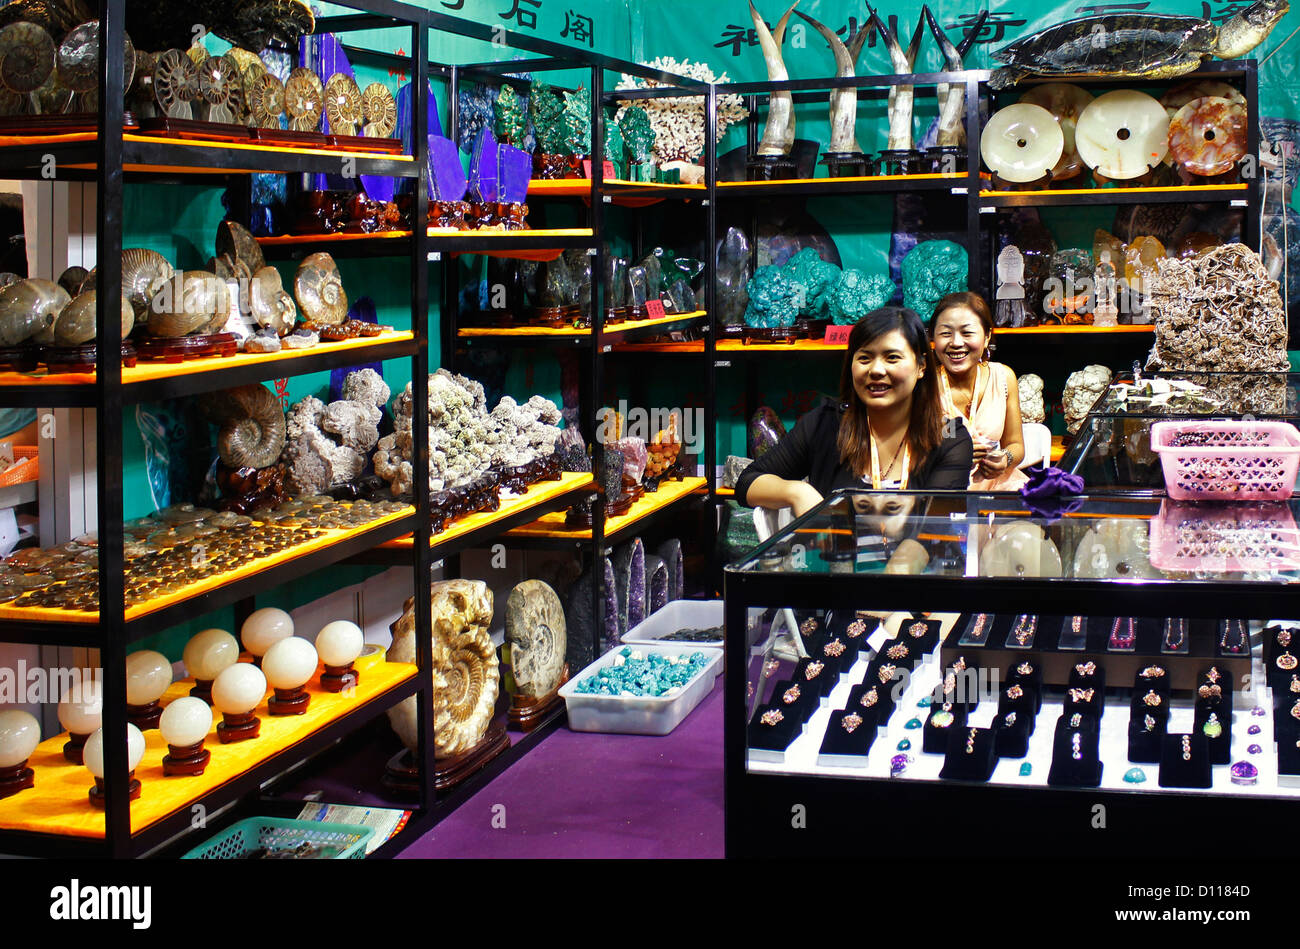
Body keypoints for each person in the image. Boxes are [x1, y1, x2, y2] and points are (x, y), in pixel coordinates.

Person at [736, 306, 973, 517]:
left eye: (892, 358)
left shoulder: (949, 437)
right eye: (864, 358)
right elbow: (747, 482)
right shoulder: (825, 424)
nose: (876, 370)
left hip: (913, 565)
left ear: (921, 366)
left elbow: (933, 530)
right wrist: (797, 492)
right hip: (833, 563)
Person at [929, 291, 1027, 491]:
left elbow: (1016, 445)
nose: (956, 343)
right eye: (946, 333)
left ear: (987, 336)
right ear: (933, 338)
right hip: (942, 492)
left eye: (967, 333)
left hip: (999, 488)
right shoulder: (922, 384)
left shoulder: (1003, 377)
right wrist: (951, 453)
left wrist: (1005, 459)